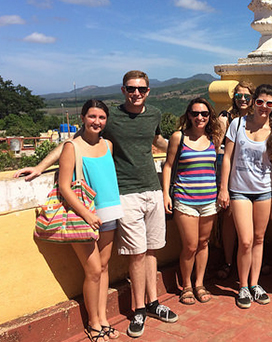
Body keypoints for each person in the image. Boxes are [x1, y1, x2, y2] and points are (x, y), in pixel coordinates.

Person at [15, 71, 178, 338]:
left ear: (149, 91)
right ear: (124, 90)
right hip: (123, 196)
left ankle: (151, 303)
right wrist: (40, 166)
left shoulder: (153, 115)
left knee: (150, 252)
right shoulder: (111, 118)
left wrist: (191, 149)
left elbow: (157, 141)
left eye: (142, 89)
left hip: (145, 192)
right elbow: (72, 144)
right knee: (133, 256)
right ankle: (135, 310)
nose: (137, 93)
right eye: (131, 88)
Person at [217, 84, 272, 309]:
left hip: (263, 191)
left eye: (269, 103)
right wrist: (224, 188)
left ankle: (254, 284)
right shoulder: (238, 124)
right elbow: (227, 158)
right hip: (239, 190)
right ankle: (242, 286)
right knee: (245, 240)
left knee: (259, 239)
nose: (264, 107)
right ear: (253, 102)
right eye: (260, 101)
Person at [57, 100, 123, 342]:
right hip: (84, 216)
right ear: (83, 118)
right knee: (93, 270)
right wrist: (87, 214)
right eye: (92, 116)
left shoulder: (108, 145)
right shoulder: (71, 147)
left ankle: (103, 318)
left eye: (102, 117)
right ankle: (93, 323)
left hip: (109, 213)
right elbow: (65, 186)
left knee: (104, 268)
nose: (97, 121)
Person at [162, 98, 223, 305]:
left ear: (209, 116)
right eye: (195, 113)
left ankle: (199, 283)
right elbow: (168, 166)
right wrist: (165, 194)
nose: (200, 117)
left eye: (204, 114)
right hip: (185, 198)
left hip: (209, 200)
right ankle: (186, 285)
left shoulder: (213, 138)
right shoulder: (179, 137)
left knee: (203, 243)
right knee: (189, 245)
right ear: (188, 115)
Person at [216, 81, 255, 280]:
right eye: (239, 96)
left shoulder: (258, 118)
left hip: (251, 176)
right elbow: (218, 147)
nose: (242, 100)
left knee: (250, 224)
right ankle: (228, 260)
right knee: (230, 219)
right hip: (230, 174)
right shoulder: (226, 118)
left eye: (247, 96)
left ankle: (251, 261)